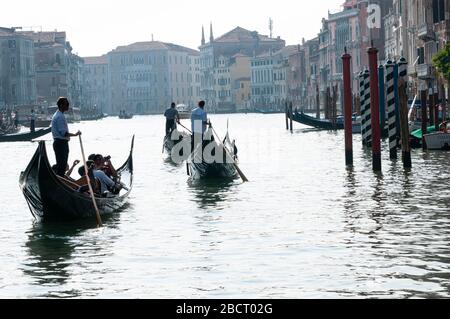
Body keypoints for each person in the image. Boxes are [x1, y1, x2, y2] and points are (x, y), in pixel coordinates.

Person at [51, 97, 81, 177]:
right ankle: (60, 180)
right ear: (61, 105)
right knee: (62, 166)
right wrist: (75, 134)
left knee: (62, 166)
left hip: (59, 143)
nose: (68, 106)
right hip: (61, 143)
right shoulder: (60, 116)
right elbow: (64, 133)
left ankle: (61, 179)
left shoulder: (58, 115)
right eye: (66, 104)